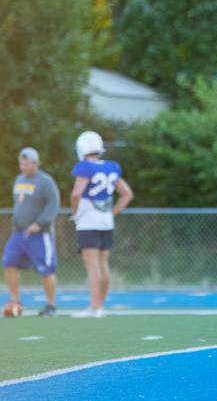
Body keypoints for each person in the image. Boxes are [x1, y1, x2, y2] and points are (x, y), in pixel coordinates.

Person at [70, 131, 134, 318]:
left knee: (92, 265)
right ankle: (100, 306)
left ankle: (94, 307)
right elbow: (127, 194)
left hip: (88, 220)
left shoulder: (84, 167)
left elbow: (76, 194)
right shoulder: (112, 167)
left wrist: (76, 213)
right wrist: (112, 212)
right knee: (103, 264)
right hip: (106, 220)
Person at [2, 147, 60, 316]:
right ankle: (15, 301)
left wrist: (40, 223)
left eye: (26, 163)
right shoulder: (18, 179)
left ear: (35, 163)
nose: (23, 167)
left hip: (39, 234)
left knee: (46, 270)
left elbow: (53, 205)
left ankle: (50, 305)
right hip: (19, 233)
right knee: (8, 263)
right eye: (21, 163)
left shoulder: (45, 181)